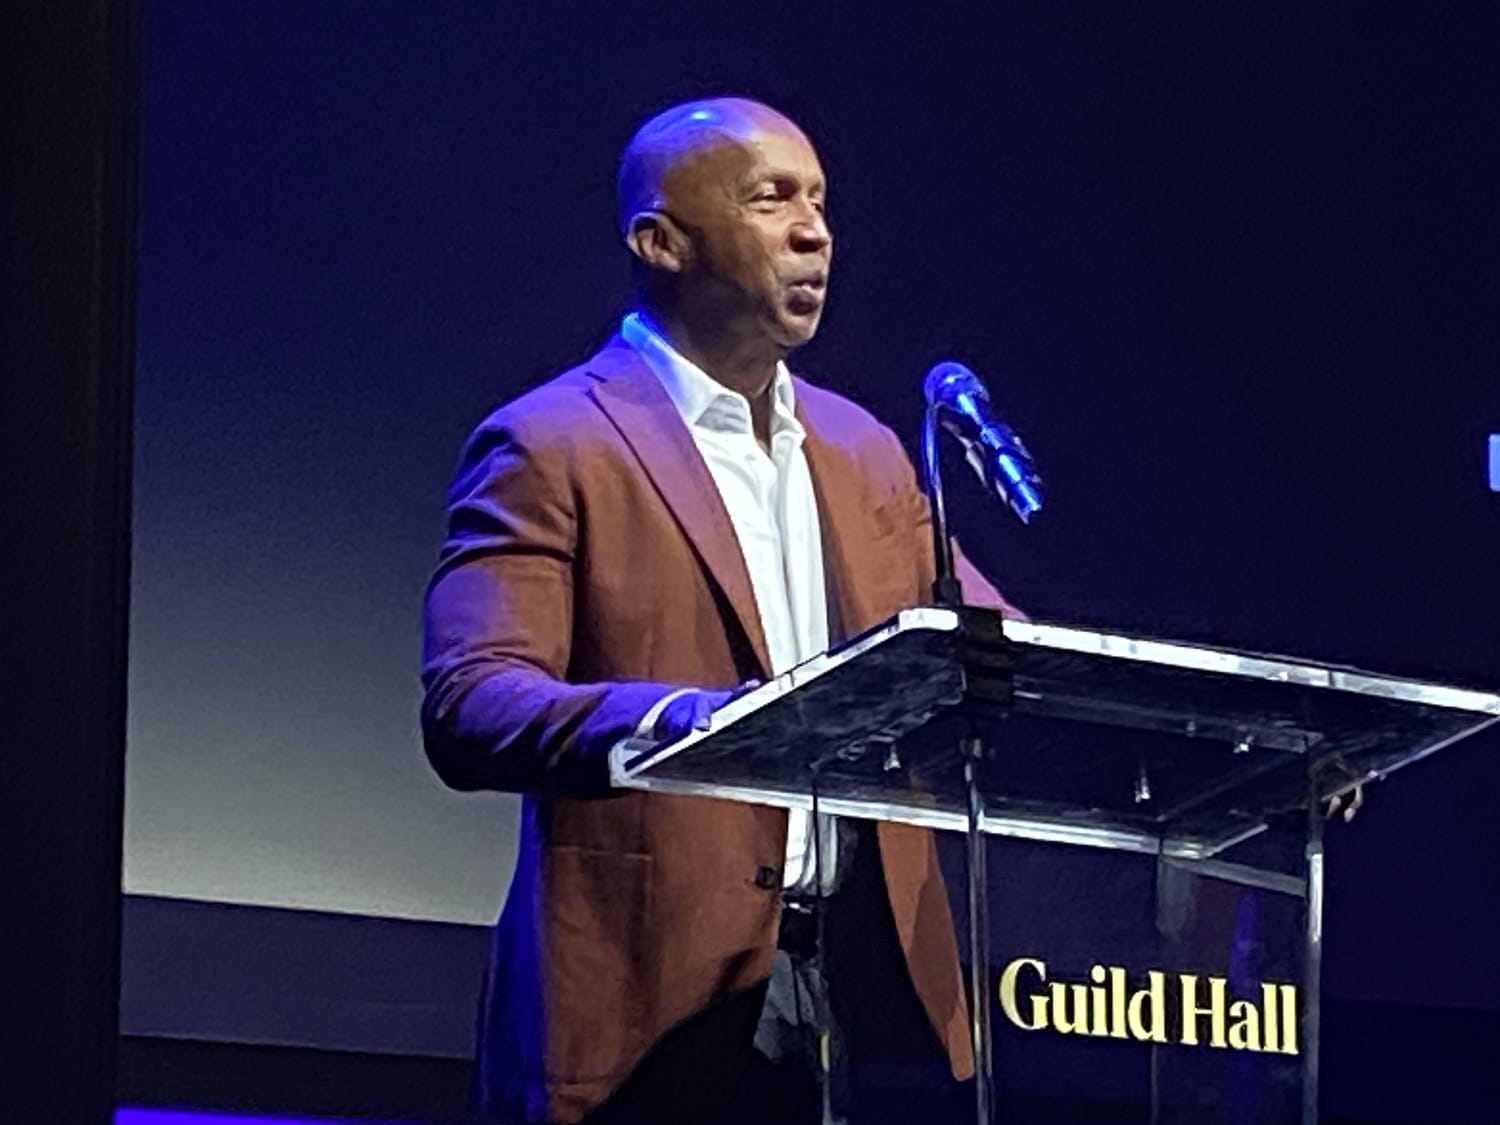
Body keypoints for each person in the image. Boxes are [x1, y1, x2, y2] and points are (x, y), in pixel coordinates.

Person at [420, 96, 1020, 1125]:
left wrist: (1242, 758)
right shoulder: (551, 442)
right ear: (660, 241)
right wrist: (682, 728)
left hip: (859, 1000)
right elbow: (473, 702)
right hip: (649, 1008)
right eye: (771, 197)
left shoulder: (865, 451)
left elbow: (996, 659)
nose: (814, 228)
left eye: (821, 201)